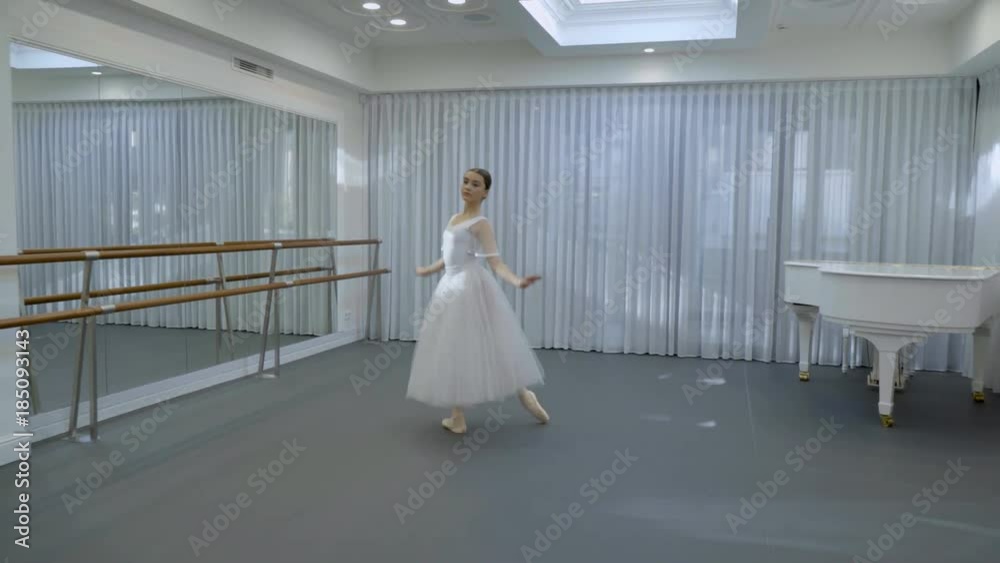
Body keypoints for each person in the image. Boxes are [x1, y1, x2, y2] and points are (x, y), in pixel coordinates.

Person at [407, 168, 550, 434]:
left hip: (468, 286)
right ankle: (459, 416)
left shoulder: (481, 223)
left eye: (475, 184)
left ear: (485, 192)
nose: (468, 187)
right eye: (465, 182)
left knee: (485, 343)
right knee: (455, 347)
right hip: (450, 285)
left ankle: (523, 393)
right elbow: (448, 256)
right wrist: (427, 270)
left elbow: (495, 262)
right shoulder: (454, 218)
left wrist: (517, 281)